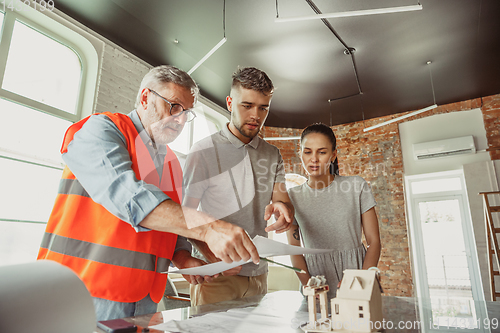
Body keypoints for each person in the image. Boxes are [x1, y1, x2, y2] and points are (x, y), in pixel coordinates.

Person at [37, 65, 259, 321]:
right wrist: (209, 229)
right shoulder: (101, 131)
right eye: (174, 106)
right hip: (81, 290)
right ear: (145, 97)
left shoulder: (171, 162)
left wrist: (184, 257)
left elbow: (168, 222)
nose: (181, 120)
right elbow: (131, 198)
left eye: (187, 112)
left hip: (143, 298)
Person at [182, 67, 294, 306]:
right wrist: (215, 258)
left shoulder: (273, 154)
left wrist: (285, 211)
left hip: (259, 273)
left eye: (263, 108)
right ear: (230, 102)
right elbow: (185, 216)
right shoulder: (203, 151)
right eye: (247, 105)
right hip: (217, 276)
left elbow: (282, 200)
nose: (256, 115)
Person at [286, 123, 381, 300]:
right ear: (300, 154)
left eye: (322, 152)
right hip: (315, 281)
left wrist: (359, 280)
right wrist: (309, 285)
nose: (314, 159)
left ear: (333, 154)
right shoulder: (292, 197)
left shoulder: (356, 186)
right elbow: (294, 250)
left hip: (357, 274)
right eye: (307, 152)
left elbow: (374, 241)